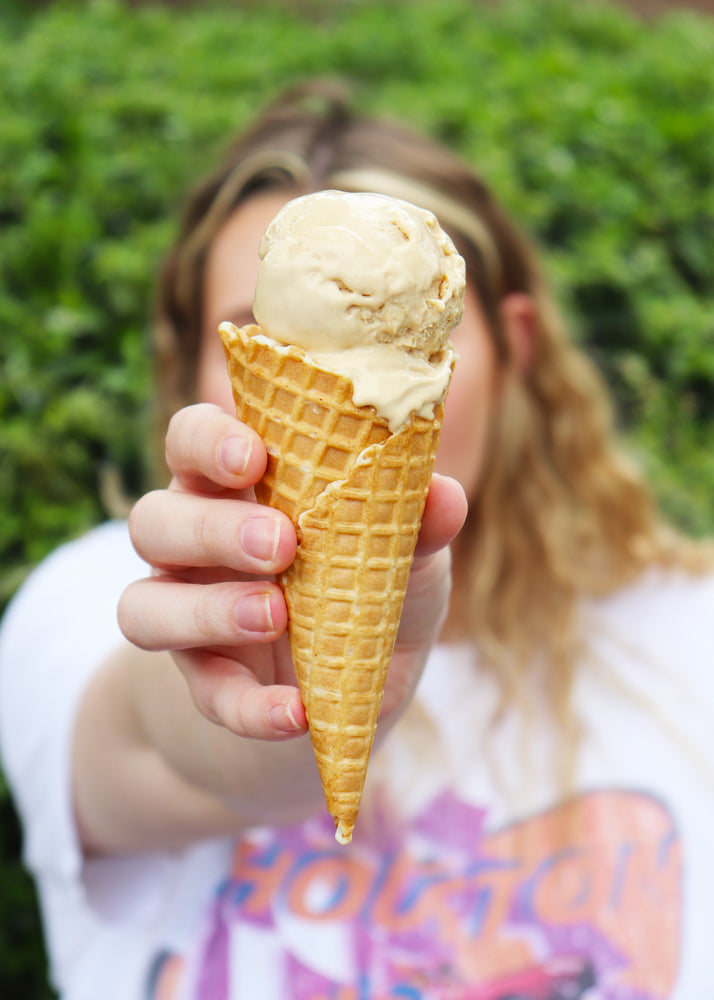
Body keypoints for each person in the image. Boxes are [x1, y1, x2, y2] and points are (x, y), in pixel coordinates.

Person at [1, 78, 713, 1000]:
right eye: (263, 337)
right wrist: (253, 679)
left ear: (516, 344)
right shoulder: (97, 600)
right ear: (195, 365)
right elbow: (163, 749)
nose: (336, 382)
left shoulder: (690, 634)